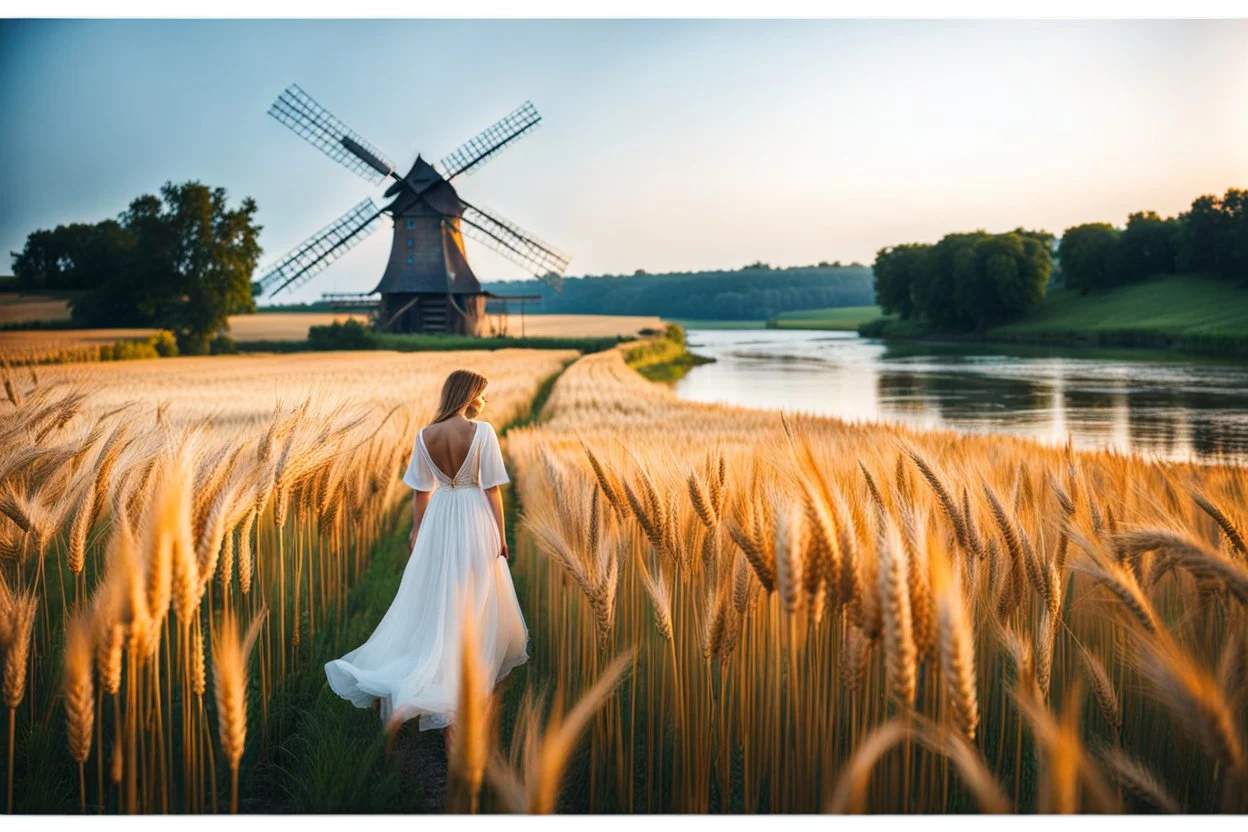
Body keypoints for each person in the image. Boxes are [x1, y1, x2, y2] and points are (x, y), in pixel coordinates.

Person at [324, 369, 530, 731]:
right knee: (474, 596)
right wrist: (501, 535)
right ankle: (461, 673)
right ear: (467, 395)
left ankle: (419, 671)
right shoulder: (482, 432)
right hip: (473, 516)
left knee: (439, 595)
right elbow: (492, 489)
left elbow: (421, 492)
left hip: (439, 517)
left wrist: (417, 531)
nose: (484, 401)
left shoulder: (424, 436)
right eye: (481, 394)